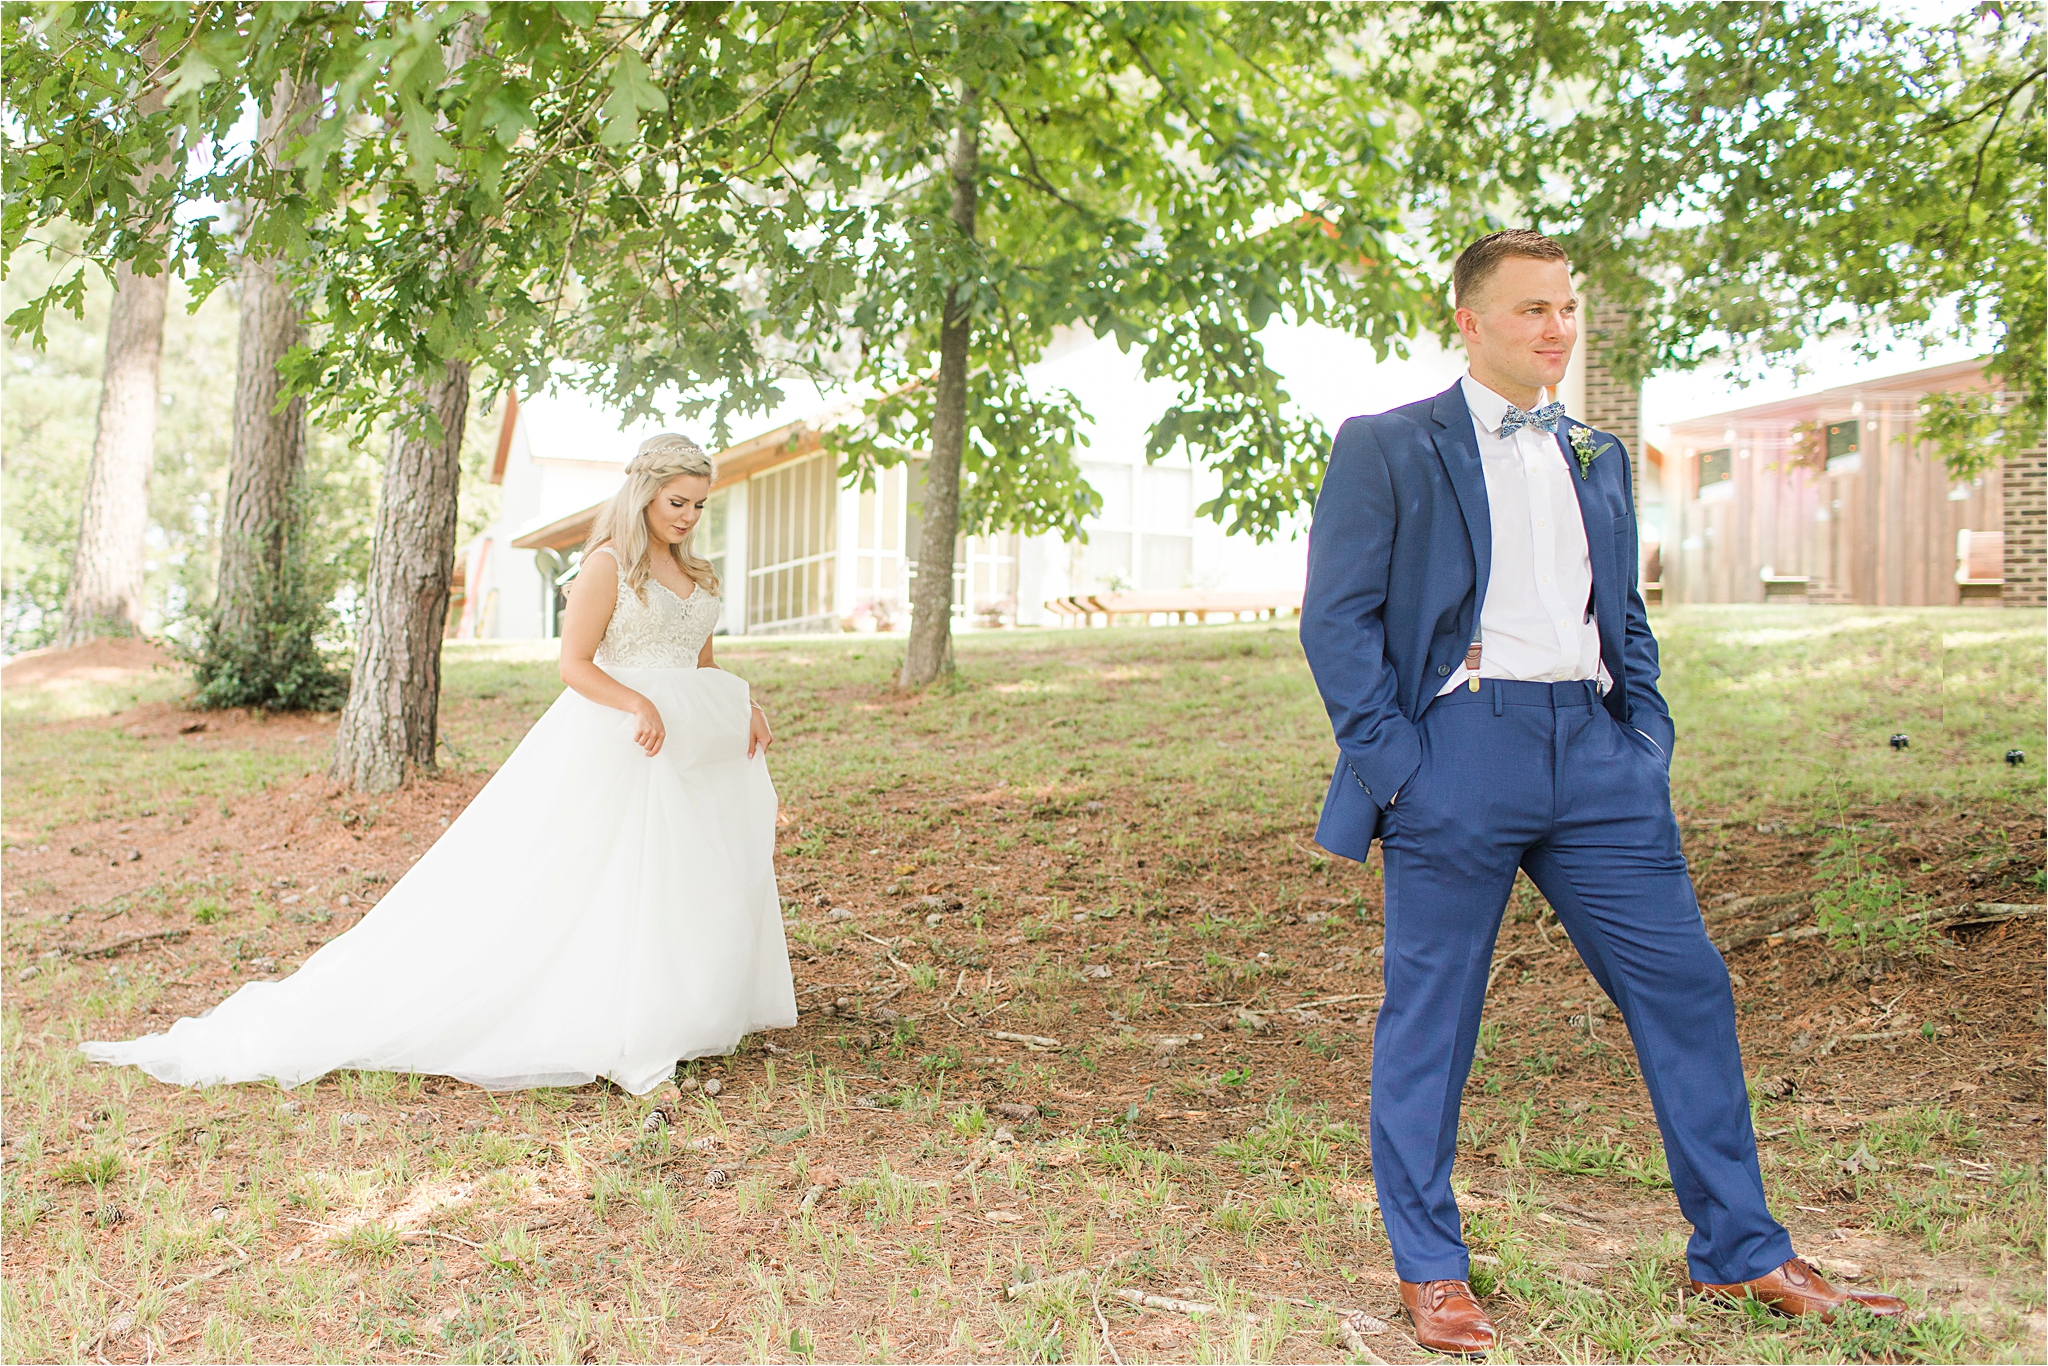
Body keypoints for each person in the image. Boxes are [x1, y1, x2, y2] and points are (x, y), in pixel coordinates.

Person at [1298, 230, 1905, 1355]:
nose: (1556, 328)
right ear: (1469, 323)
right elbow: (1332, 622)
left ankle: (1740, 1253)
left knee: (1686, 988)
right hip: (1455, 752)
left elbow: (1620, 615)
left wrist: (1643, 737)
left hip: (1596, 757)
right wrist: (1401, 767)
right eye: (1530, 309)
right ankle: (1430, 1268)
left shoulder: (1598, 453)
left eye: (1565, 308)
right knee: (1430, 1019)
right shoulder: (1385, 445)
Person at [83, 434, 796, 1096]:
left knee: (681, 874)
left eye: (700, 505)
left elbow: (701, 663)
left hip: (691, 743)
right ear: (645, 494)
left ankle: (678, 1005)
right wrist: (636, 703)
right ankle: (617, 1015)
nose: (690, 517)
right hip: (624, 736)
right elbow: (574, 664)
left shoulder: (696, 570)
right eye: (679, 503)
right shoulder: (609, 564)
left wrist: (745, 709)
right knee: (607, 878)